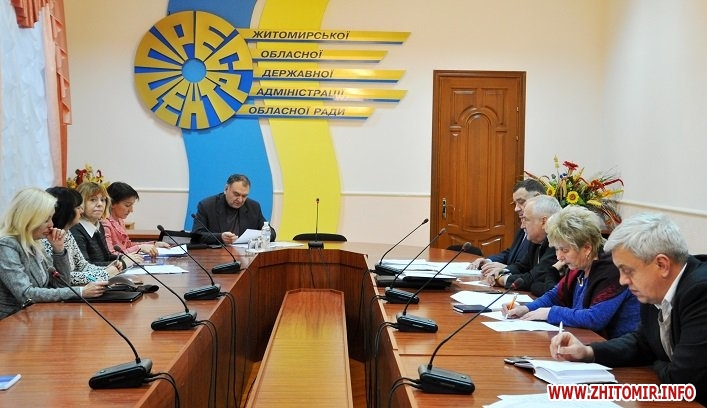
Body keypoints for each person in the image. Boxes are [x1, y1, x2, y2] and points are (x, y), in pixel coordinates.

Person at [550, 213, 707, 405]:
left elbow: (683, 380)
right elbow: (642, 343)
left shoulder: (701, 292)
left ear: (662, 265)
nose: (622, 280)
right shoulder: (654, 289)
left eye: (628, 271)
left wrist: (657, 363)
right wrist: (587, 352)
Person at [503, 205, 639, 339]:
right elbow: (554, 295)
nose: (559, 257)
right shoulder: (580, 266)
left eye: (565, 250)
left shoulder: (612, 269)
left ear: (587, 248)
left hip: (615, 347)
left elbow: (595, 318)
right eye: (557, 249)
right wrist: (526, 309)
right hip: (588, 340)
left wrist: (550, 313)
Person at [0, 188, 106, 319]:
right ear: (28, 219)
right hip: (11, 321)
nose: (51, 224)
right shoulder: (6, 245)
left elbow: (60, 284)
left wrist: (59, 250)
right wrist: (80, 291)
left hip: (36, 316)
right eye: (46, 220)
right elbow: (26, 294)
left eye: (51, 218)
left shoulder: (35, 242)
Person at [42, 187, 122, 285]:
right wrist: (104, 274)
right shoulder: (48, 238)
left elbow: (83, 266)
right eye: (78, 207)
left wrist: (107, 268)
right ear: (66, 211)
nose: (81, 211)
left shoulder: (67, 233)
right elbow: (61, 278)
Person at [487, 195, 563, 296]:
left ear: (544, 221)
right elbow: (522, 266)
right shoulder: (536, 241)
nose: (522, 225)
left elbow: (534, 278)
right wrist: (502, 271)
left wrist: (502, 280)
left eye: (526, 219)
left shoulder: (557, 246)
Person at [469, 179, 546, 274]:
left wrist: (507, 268)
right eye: (515, 203)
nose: (516, 209)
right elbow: (511, 253)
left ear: (537, 198)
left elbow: (532, 269)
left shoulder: (543, 232)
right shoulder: (524, 225)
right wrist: (488, 261)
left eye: (521, 202)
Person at [192, 174, 276, 245]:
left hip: (244, 255)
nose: (240, 200)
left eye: (244, 196)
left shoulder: (253, 207)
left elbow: (271, 233)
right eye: (236, 194)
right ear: (226, 189)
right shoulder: (207, 205)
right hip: (216, 255)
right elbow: (196, 235)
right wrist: (220, 237)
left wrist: (261, 237)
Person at [70, 182, 137, 267]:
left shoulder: (98, 225)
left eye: (102, 200)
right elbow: (85, 266)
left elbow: (107, 257)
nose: (100, 204)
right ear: (80, 203)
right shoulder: (75, 230)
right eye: (93, 200)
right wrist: (123, 263)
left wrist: (125, 257)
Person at [102, 181, 169, 257]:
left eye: (132, 205)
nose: (131, 210)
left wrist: (154, 244)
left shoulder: (120, 221)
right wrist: (140, 248)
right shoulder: (105, 224)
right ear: (112, 203)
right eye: (127, 205)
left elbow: (128, 245)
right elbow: (111, 255)